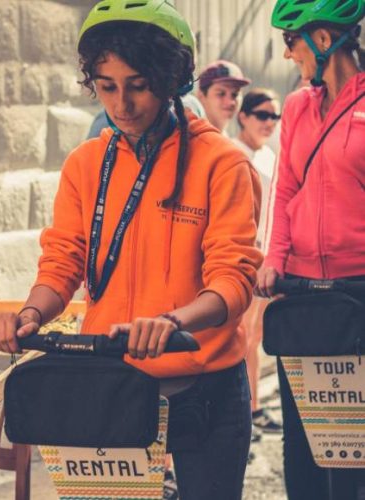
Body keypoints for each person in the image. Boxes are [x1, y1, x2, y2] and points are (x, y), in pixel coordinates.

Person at [0, 1, 262, 498]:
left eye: (137, 84)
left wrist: (173, 322)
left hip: (206, 389)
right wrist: (29, 314)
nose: (121, 105)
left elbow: (233, 278)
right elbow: (63, 260)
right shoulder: (86, 163)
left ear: (172, 78)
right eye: (107, 86)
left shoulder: (222, 162)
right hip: (112, 382)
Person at [257, 0, 365, 498]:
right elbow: (285, 191)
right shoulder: (298, 106)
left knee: (354, 449)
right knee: (302, 443)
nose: (286, 54)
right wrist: (275, 260)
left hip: (357, 294)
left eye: (291, 40)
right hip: (301, 292)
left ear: (324, 40)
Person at [231, 88, 283, 441]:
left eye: (274, 117)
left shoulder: (268, 156)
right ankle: (243, 414)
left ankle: (253, 408)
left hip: (269, 258)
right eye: (262, 115)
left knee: (257, 337)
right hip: (246, 257)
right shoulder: (234, 153)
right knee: (243, 337)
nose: (269, 122)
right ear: (244, 116)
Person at [197, 60, 251, 134]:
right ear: (201, 96)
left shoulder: (226, 138)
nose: (230, 102)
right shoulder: (192, 138)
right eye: (221, 94)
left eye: (235, 94)